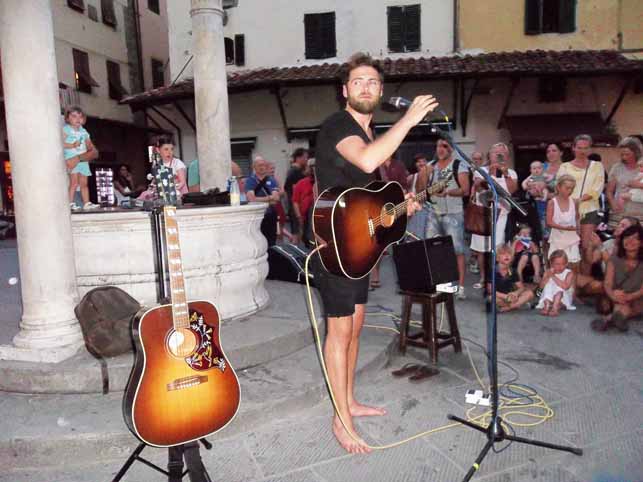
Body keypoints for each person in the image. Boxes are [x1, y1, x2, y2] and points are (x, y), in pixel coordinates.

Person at [313, 52, 437, 454]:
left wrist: (401, 205)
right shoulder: (339, 124)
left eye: (372, 82)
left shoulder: (371, 134)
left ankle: (348, 401)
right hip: (335, 245)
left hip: (361, 246)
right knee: (339, 332)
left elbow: (368, 199)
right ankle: (340, 420)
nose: (365, 87)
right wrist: (409, 120)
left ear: (380, 91)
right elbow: (365, 160)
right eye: (358, 81)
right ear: (344, 90)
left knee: (356, 328)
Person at [416, 137, 470, 297]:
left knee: (457, 250)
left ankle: (460, 287)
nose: (440, 149)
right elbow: (421, 192)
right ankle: (439, 283)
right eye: (438, 145)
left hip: (453, 213)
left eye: (444, 146)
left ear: (451, 149)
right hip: (433, 212)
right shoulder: (430, 166)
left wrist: (447, 192)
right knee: (432, 249)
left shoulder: (459, 166)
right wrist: (423, 175)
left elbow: (465, 190)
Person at [470, 143, 518, 290]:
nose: (499, 156)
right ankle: (484, 279)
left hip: (501, 216)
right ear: (489, 156)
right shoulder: (481, 171)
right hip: (483, 215)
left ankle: (497, 279)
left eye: (502, 153)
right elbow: (479, 186)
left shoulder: (511, 172)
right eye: (496, 153)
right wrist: (490, 173)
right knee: (482, 248)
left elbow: (512, 190)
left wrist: (505, 174)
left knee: (498, 248)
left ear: (507, 156)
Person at [556, 134, 605, 265]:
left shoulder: (597, 166)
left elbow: (598, 188)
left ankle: (586, 278)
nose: (582, 151)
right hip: (568, 211)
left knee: (585, 245)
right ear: (573, 148)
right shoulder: (564, 167)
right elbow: (560, 187)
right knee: (570, 246)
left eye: (586, 148)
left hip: (589, 209)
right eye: (579, 148)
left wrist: (580, 200)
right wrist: (572, 202)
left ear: (590, 149)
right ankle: (572, 278)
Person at [590, 224, 643, 332]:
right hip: (618, 295)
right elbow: (607, 283)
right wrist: (613, 296)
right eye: (627, 237)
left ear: (641, 243)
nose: (630, 241)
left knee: (636, 304)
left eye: (635, 238)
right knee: (620, 305)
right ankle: (617, 318)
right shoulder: (614, 260)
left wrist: (630, 296)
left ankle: (608, 319)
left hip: (637, 296)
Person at [63, 106, 99, 210]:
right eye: (74, 116)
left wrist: (89, 147)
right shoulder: (66, 129)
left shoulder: (84, 131)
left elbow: (91, 147)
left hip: (83, 160)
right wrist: (72, 145)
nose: (77, 119)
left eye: (80, 117)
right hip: (72, 158)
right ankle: (70, 203)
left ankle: (86, 203)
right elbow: (61, 144)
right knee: (74, 182)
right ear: (68, 118)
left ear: (83, 119)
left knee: (84, 183)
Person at [607, 137, 643, 227]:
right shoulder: (617, 168)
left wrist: (639, 185)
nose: (624, 157)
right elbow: (609, 191)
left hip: (640, 214)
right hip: (619, 214)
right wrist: (613, 204)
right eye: (622, 154)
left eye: (627, 154)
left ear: (636, 153)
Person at [245, 156, 280, 247]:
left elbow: (276, 198)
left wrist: (258, 199)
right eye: (259, 165)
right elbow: (251, 199)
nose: (262, 167)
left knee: (272, 240)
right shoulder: (250, 181)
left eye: (263, 165)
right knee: (259, 239)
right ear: (254, 167)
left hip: (270, 214)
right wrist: (269, 198)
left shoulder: (272, 180)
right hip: (257, 215)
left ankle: (272, 259)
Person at [547, 175, 581, 269]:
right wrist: (565, 228)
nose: (569, 191)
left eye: (572, 188)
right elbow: (549, 222)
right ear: (558, 187)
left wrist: (578, 229)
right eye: (567, 188)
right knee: (556, 266)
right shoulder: (552, 203)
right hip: (557, 238)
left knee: (574, 266)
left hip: (572, 238)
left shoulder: (574, 202)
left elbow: (577, 218)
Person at [491, 243, 534, 313]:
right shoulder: (493, 271)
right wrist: (505, 296)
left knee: (529, 293)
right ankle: (516, 305)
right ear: (497, 258)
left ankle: (508, 307)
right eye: (503, 254)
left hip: (511, 296)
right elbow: (490, 290)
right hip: (499, 296)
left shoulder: (512, 271)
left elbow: (521, 287)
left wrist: (515, 293)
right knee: (491, 298)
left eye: (509, 254)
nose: (507, 255)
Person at [536, 250, 575, 316]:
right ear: (551, 264)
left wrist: (553, 276)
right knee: (548, 285)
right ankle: (547, 306)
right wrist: (548, 276)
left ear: (566, 263)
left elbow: (565, 287)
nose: (560, 267)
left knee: (558, 288)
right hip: (549, 296)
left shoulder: (569, 273)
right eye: (557, 264)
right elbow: (541, 288)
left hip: (564, 298)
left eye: (563, 264)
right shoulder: (548, 272)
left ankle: (555, 308)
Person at [284, 148, 310, 244]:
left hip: (296, 206)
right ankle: (296, 254)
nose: (307, 160)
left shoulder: (296, 171)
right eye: (305, 157)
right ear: (298, 158)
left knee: (298, 231)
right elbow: (291, 190)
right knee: (297, 232)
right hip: (296, 207)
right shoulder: (294, 172)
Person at [291, 158, 316, 247]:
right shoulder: (301, 183)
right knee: (306, 238)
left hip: (318, 214)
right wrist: (299, 216)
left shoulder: (322, 182)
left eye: (315, 167)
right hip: (305, 216)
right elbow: (295, 201)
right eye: (311, 167)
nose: (313, 169)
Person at [406, 153, 430, 240]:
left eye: (424, 161)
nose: (421, 163)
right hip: (414, 212)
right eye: (418, 162)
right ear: (415, 164)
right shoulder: (411, 177)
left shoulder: (432, 177)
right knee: (413, 237)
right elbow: (407, 192)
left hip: (429, 211)